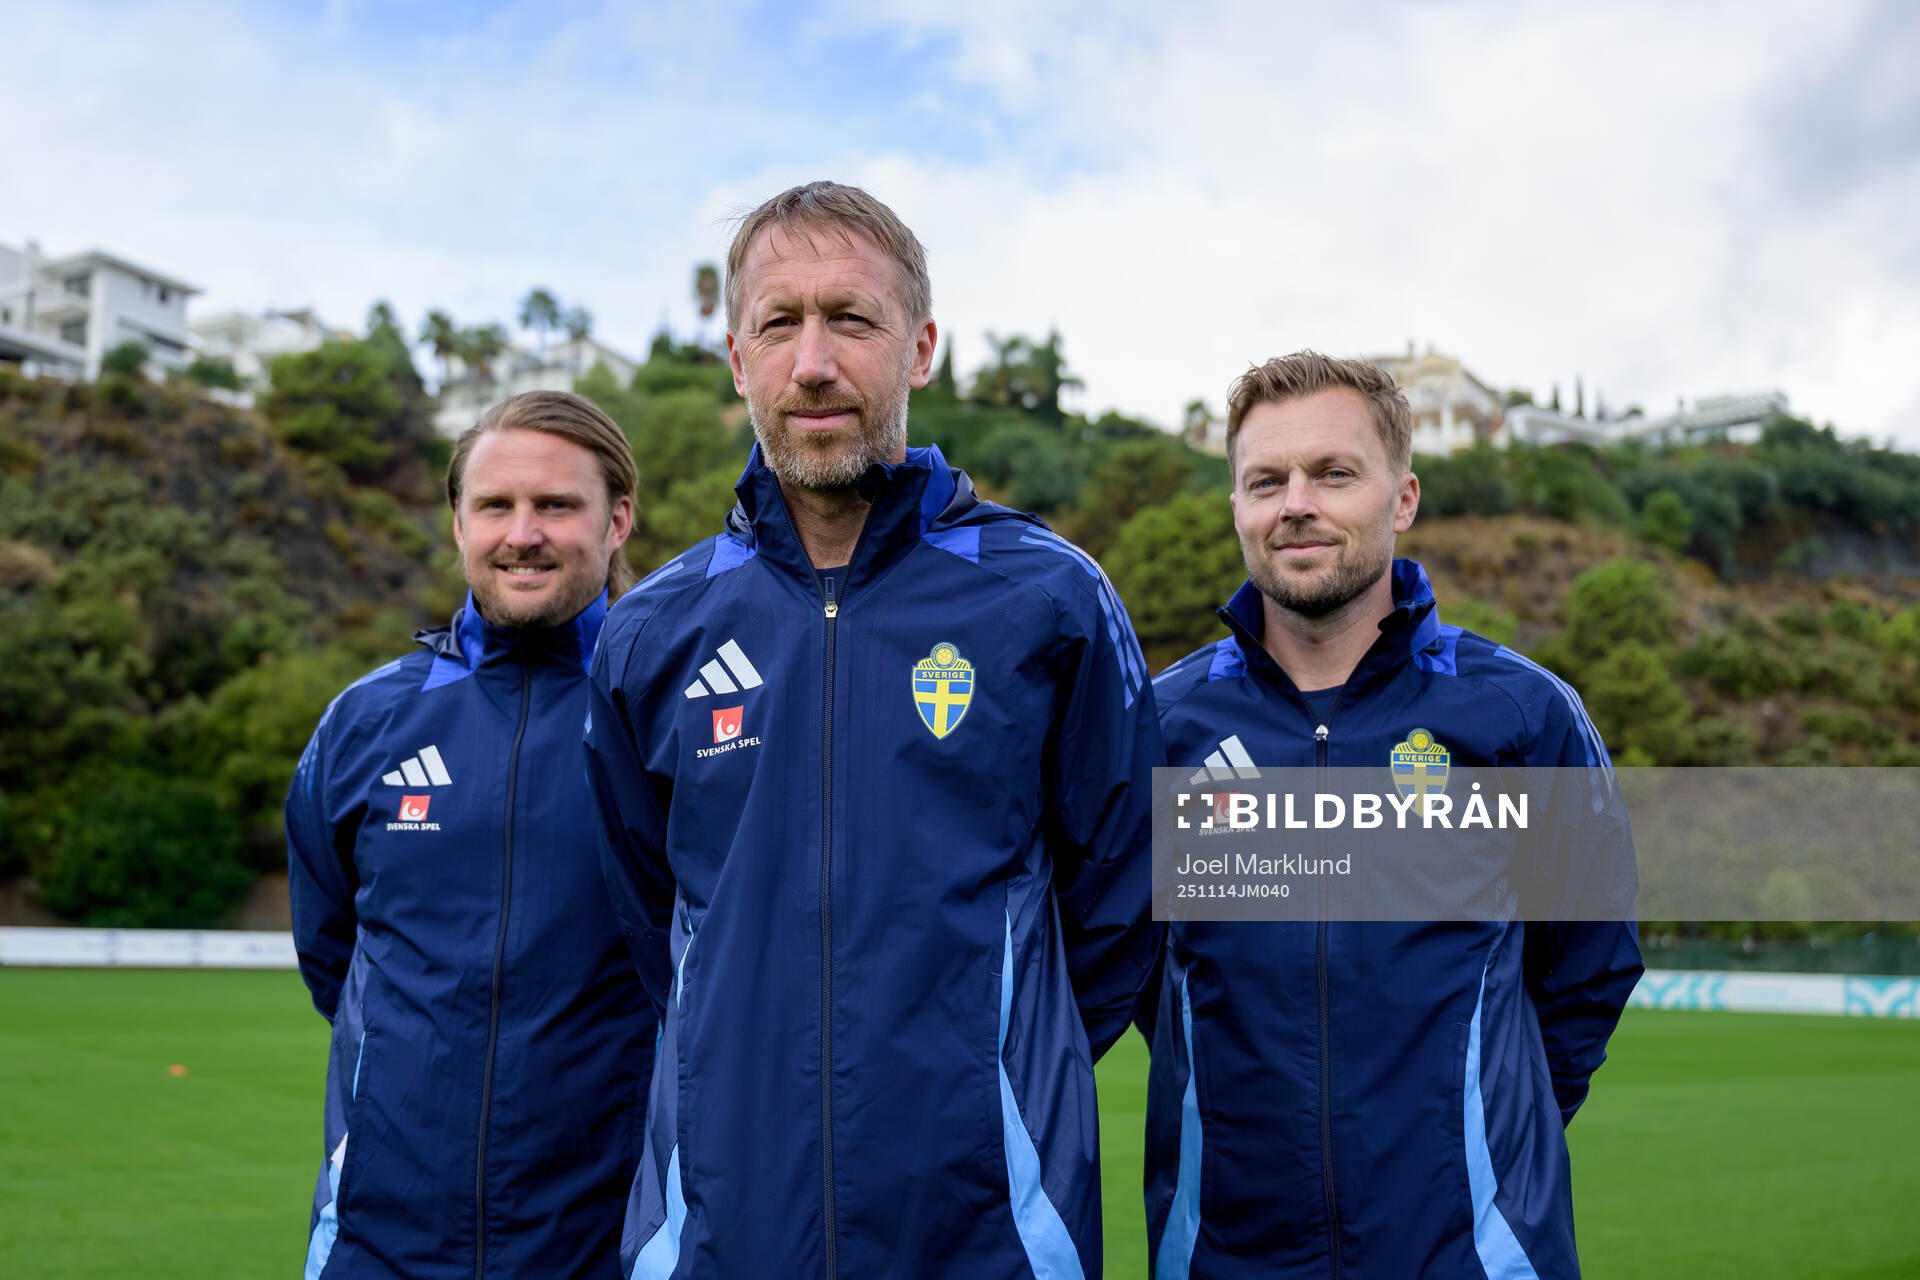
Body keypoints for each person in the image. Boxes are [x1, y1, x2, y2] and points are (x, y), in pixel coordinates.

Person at [584, 181, 1163, 1278]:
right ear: (735, 355)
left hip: (991, 1222)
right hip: (722, 1222)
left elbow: (1121, 902)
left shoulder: (1050, 598)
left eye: (851, 319)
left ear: (923, 348)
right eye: (779, 323)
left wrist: (986, 1063)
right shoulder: (653, 629)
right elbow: (651, 915)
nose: (814, 361)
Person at [1144, 352, 1642, 1278]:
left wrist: (1481, 1131)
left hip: (1473, 1253)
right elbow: (1124, 970)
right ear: (1238, 508)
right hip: (1225, 1255)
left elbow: (1588, 971)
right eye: (1266, 481)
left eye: (1334, 473)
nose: (1297, 503)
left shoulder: (1522, 715)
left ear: (1402, 497)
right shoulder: (1159, 728)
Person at [287, 390, 655, 1278]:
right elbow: (335, 954)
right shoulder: (362, 725)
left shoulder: (666, 712)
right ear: (459, 524)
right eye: (496, 505)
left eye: (556, 506)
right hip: (380, 1244)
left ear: (618, 522)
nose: (521, 533)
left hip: (612, 1246)